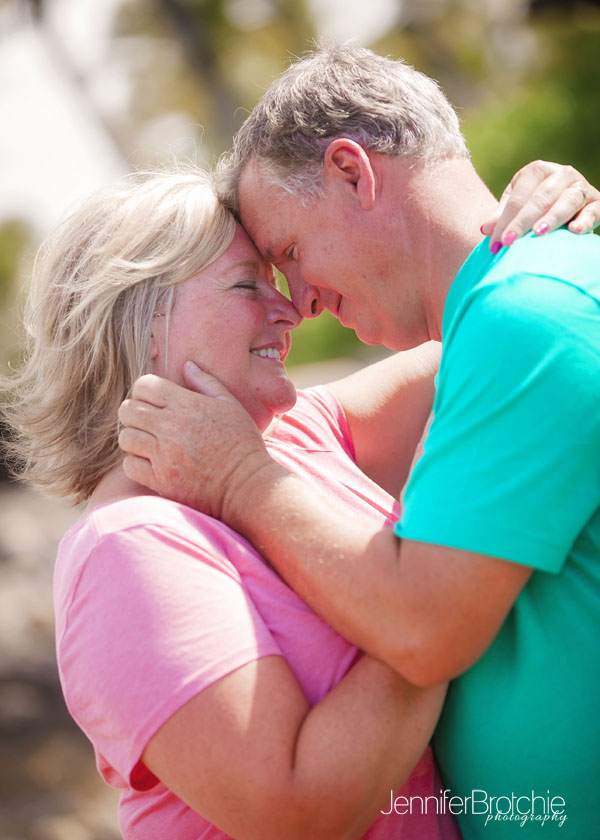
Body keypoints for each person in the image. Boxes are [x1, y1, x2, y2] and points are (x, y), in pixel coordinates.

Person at [117, 45, 600, 839]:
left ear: (352, 172)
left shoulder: (529, 315)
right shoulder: (507, 317)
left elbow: (423, 630)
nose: (298, 304)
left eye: (289, 255)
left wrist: (239, 476)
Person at [3, 167, 464, 840]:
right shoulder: (125, 551)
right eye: (249, 285)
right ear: (140, 321)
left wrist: (530, 231)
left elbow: (488, 339)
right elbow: (302, 808)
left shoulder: (295, 434)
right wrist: (440, 594)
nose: (290, 310)